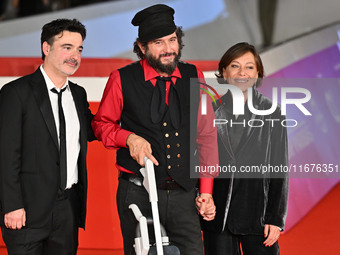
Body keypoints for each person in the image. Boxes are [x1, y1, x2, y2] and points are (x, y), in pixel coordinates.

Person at [92, 4, 218, 255]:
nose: (169, 49)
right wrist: (128, 138)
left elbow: (206, 135)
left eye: (172, 40)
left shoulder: (195, 75)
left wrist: (206, 191)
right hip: (138, 192)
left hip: (184, 195)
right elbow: (101, 124)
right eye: (158, 42)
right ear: (141, 47)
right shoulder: (121, 78)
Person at [0, 18, 96, 255]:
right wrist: (12, 205)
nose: (75, 55)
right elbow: (6, 154)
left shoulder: (79, 94)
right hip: (26, 212)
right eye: (67, 47)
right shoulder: (15, 93)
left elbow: (95, 129)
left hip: (68, 210)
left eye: (79, 49)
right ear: (46, 48)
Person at [201, 42, 289, 255]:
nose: (242, 73)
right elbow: (200, 161)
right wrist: (201, 198)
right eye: (235, 66)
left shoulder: (274, 113)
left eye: (249, 67)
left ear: (258, 73)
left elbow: (280, 168)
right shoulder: (209, 112)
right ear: (224, 72)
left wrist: (275, 219)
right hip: (218, 218)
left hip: (258, 217)